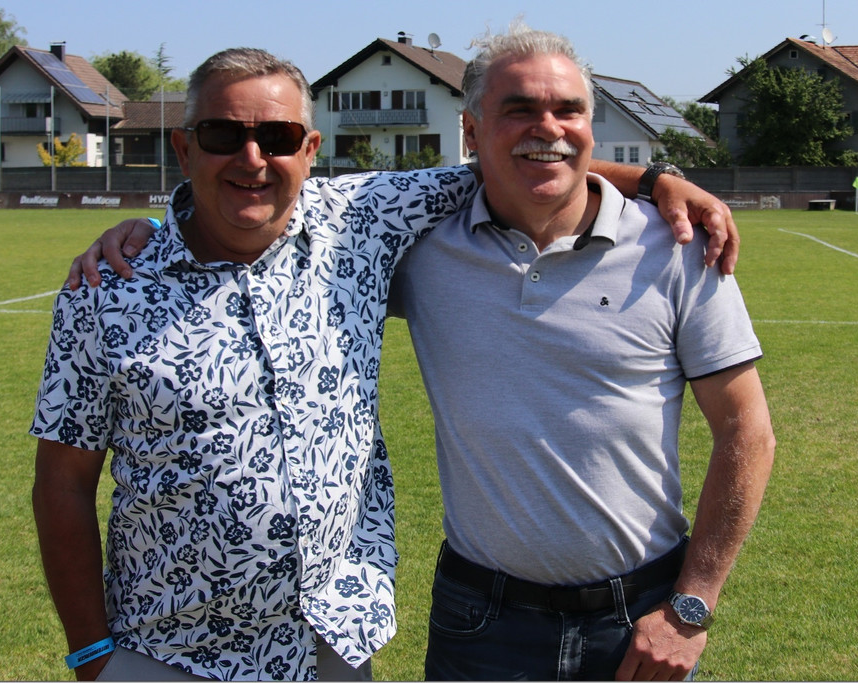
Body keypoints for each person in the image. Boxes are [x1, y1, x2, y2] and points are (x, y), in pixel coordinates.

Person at [52, 42, 748, 683]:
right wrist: (91, 656)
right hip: (166, 652)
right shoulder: (108, 287)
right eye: (222, 135)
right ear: (184, 147)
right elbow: (61, 481)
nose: (252, 158)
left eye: (279, 137)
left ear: (311, 148)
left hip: (329, 643)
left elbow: (531, 158)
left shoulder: (358, 222)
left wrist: (657, 178)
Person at [384, 23, 775, 680]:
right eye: (519, 109)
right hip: (480, 622)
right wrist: (651, 175)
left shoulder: (678, 245)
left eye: (569, 110)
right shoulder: (422, 248)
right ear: (471, 131)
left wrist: (692, 606)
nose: (549, 127)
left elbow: (747, 431)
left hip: (642, 617)